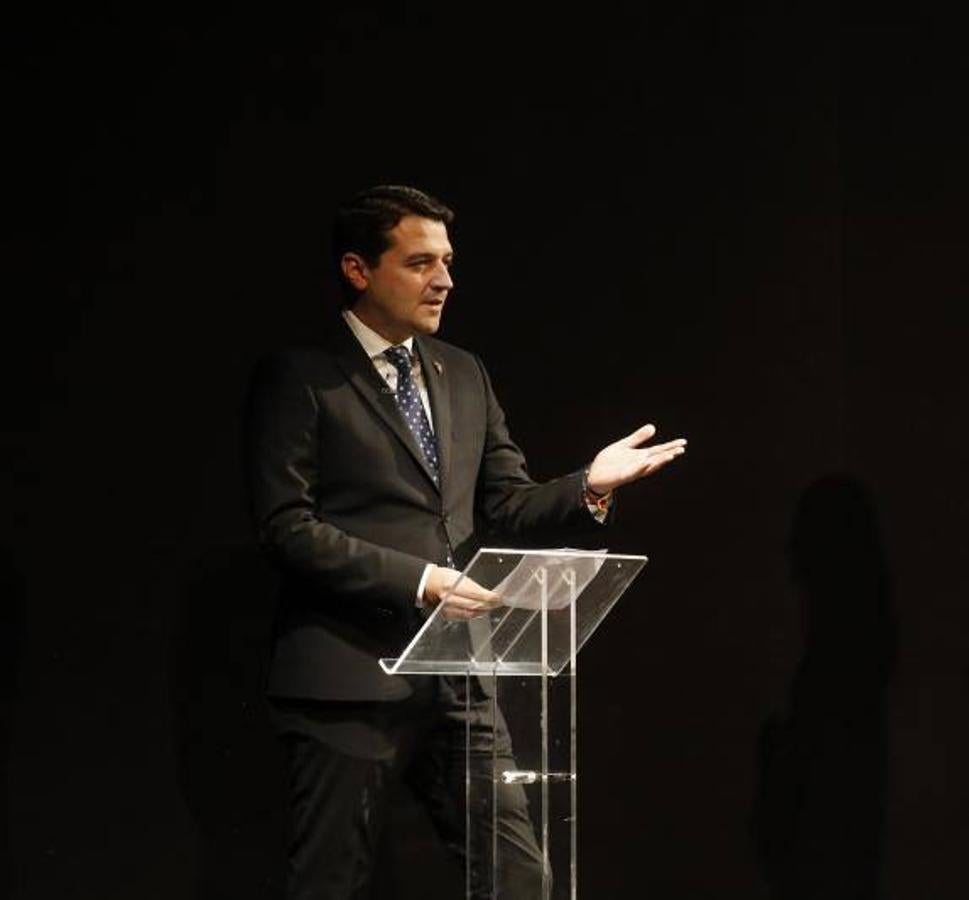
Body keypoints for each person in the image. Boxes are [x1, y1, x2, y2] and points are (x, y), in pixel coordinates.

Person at [243, 185, 685, 899]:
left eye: (446, 261)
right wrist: (421, 580)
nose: (444, 279)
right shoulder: (301, 377)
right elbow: (287, 530)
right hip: (348, 679)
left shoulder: (462, 372)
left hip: (457, 678)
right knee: (331, 883)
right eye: (420, 263)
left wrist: (589, 486)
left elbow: (506, 506)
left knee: (519, 880)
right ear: (358, 270)